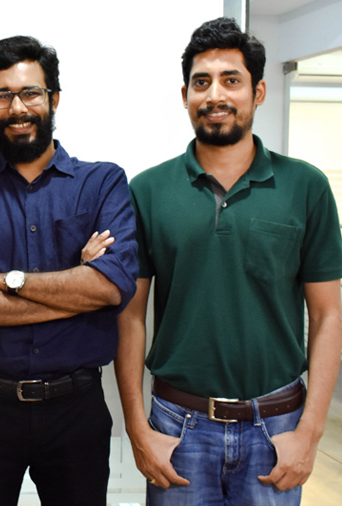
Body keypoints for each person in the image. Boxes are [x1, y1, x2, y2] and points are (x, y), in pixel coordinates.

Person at [116, 17, 342, 506]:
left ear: (258, 92)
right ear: (185, 96)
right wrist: (137, 427)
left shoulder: (306, 187)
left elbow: (328, 314)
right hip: (178, 426)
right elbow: (130, 315)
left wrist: (310, 432)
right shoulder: (147, 190)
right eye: (201, 82)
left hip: (277, 426)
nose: (214, 94)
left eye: (231, 80)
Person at [0, 36, 138, 506]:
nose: (16, 107)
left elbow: (111, 287)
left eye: (30, 93)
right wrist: (76, 288)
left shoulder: (103, 182)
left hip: (77, 411)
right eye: (2, 95)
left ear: (54, 99)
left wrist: (9, 282)